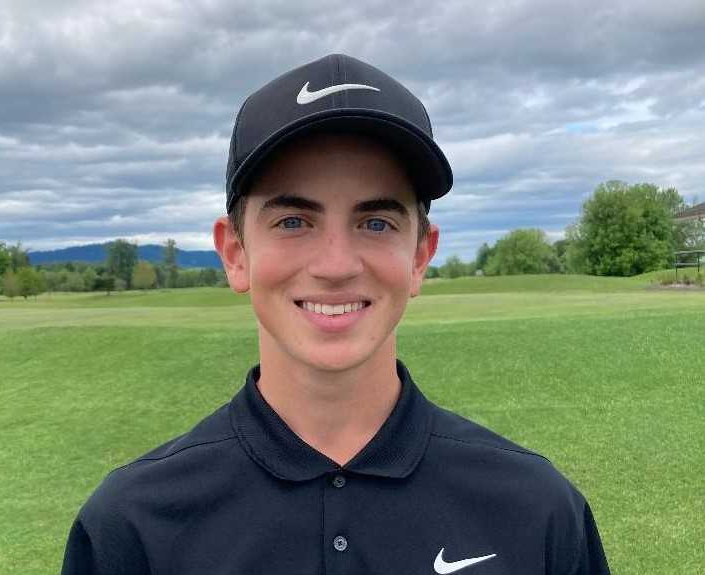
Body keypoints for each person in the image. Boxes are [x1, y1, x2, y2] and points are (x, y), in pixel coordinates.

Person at [61, 53, 610, 574]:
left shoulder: (536, 510)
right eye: (294, 222)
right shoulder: (132, 526)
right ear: (235, 253)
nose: (336, 265)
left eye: (376, 223)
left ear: (420, 256)